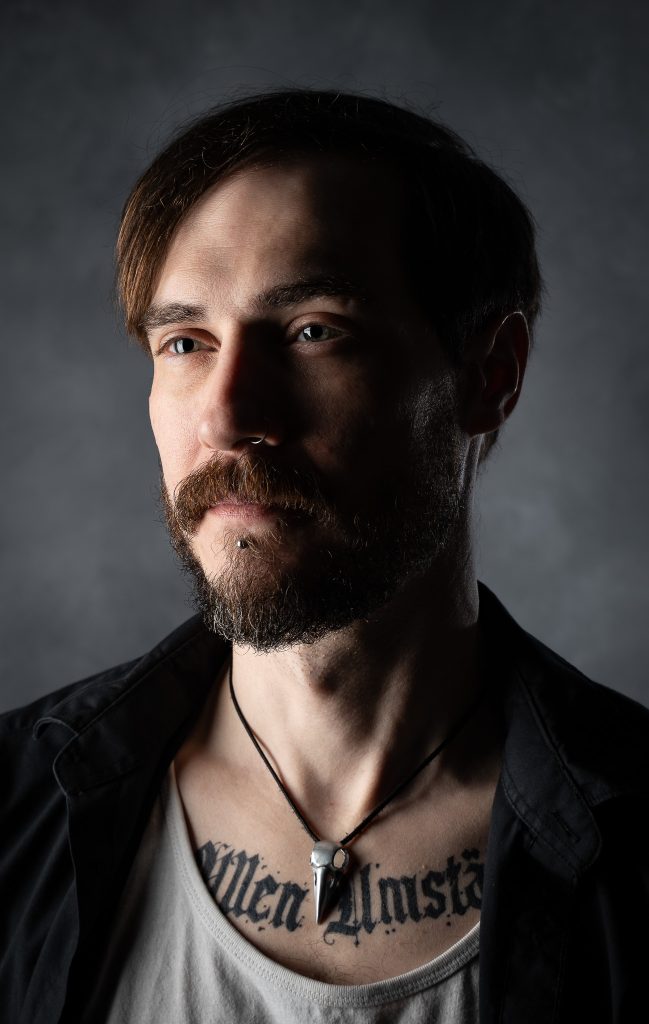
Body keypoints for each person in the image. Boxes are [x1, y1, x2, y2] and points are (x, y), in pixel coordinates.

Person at [2, 89, 648, 1024]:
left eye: (312, 332)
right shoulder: (17, 806)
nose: (225, 415)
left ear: (488, 375)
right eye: (185, 342)